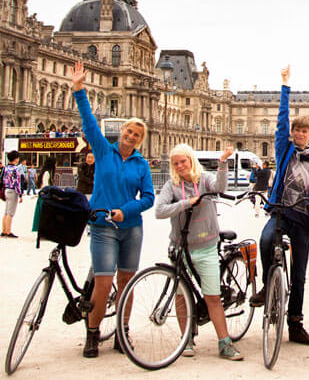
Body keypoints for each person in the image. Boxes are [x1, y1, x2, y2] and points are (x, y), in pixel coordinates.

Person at [71, 61, 155, 358]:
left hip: (130, 229)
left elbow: (148, 198)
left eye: (136, 135)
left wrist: (127, 210)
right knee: (104, 284)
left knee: (126, 284)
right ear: (122, 132)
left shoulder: (141, 164)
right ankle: (92, 334)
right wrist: (79, 89)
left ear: (140, 140)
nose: (131, 136)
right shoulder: (103, 150)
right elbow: (89, 122)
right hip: (103, 227)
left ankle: (122, 331)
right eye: (129, 132)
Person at [248, 65, 309, 345]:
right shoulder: (284, 148)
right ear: (292, 133)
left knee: (300, 275)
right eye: (297, 130)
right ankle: (268, 285)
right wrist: (285, 86)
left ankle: (295, 324)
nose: (301, 134)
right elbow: (281, 120)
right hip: (280, 213)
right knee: (266, 239)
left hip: (303, 216)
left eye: (305, 131)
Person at [155, 143, 243, 360]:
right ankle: (187, 339)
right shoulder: (170, 186)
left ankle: (224, 342)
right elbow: (159, 211)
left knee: (212, 296)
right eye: (176, 163)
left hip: (206, 247)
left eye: (183, 161)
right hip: (180, 247)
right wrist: (185, 203)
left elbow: (221, 188)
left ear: (191, 160)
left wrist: (223, 162)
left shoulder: (204, 180)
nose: (180, 166)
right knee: (181, 296)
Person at [2, 150, 23, 238]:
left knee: (6, 211)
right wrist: (20, 194)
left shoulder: (5, 168)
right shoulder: (16, 169)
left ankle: (4, 230)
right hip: (13, 191)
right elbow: (17, 182)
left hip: (6, 189)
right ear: (16, 159)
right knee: (11, 212)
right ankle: (8, 231)